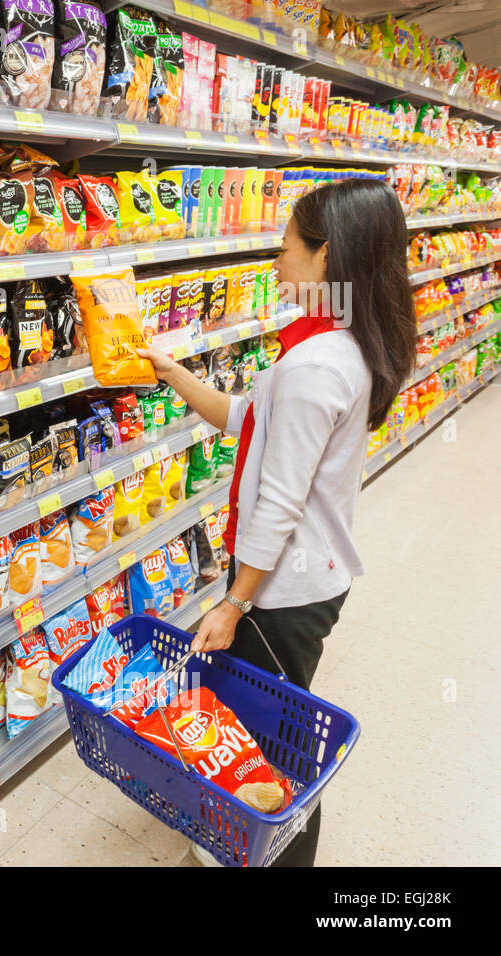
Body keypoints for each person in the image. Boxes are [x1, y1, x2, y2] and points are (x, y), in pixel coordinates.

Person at [138, 179, 416, 866]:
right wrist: (173, 372)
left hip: (282, 592)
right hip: (305, 577)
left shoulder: (315, 365)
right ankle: (249, 841)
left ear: (327, 258)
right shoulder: (341, 344)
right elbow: (246, 419)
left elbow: (280, 502)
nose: (276, 261)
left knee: (272, 744)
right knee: (271, 722)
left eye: (286, 246)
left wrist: (234, 603)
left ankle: (277, 852)